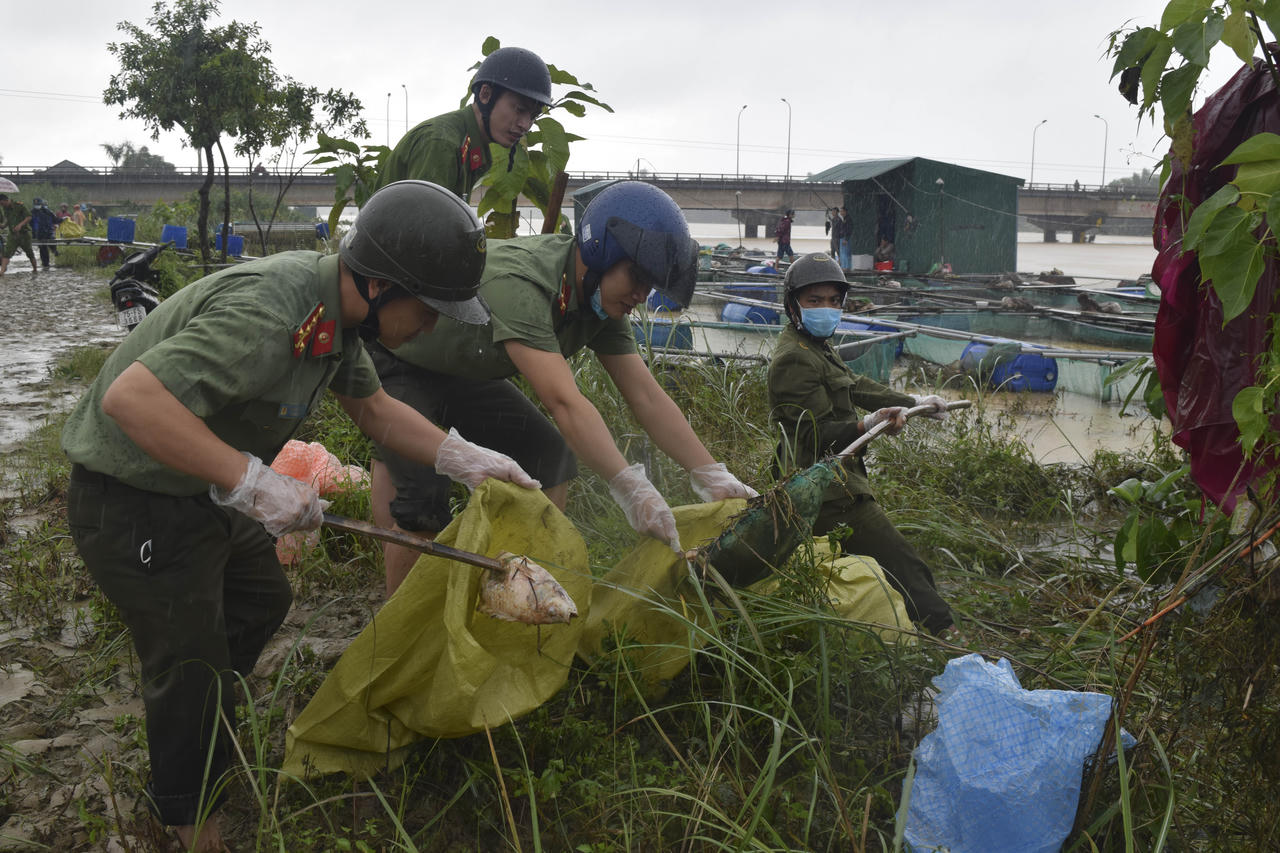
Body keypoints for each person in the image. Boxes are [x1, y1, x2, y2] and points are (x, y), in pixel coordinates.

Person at [60, 180, 541, 852]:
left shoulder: (337, 321)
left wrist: (464, 457)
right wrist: (249, 479)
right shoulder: (271, 307)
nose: (432, 326)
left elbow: (375, 411)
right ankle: (187, 822)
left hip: (196, 486)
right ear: (381, 285)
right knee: (191, 659)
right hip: (131, 491)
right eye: (429, 310)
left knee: (261, 597)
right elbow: (131, 400)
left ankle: (200, 733)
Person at [369, 180, 758, 594]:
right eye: (637, 277)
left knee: (550, 457)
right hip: (399, 359)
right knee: (421, 503)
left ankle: (518, 590)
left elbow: (645, 396)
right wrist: (629, 485)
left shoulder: (599, 305)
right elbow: (564, 402)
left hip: (463, 371)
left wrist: (711, 473)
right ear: (600, 252)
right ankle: (397, 638)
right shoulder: (523, 284)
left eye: (652, 284)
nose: (642, 295)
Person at [766, 252, 956, 636]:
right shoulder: (794, 359)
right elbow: (815, 434)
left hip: (829, 486)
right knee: (903, 565)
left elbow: (855, 385)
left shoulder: (815, 345)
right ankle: (945, 636)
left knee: (866, 567)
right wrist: (868, 424)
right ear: (792, 306)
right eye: (814, 301)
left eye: (834, 302)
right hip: (827, 492)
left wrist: (912, 402)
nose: (827, 309)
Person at [377, 46, 551, 201]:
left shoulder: (469, 146)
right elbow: (425, 231)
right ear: (485, 94)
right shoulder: (442, 144)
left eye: (533, 116)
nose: (526, 125)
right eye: (520, 110)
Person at [0, 194, 37, 275]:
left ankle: (35, 270)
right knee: (7, 253)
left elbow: (29, 217)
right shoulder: (5, 208)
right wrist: (3, 225)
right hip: (12, 235)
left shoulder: (19, 206)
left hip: (24, 234)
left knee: (29, 253)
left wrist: (20, 225)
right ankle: (2, 272)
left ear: (6, 200)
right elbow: (8, 220)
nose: (2, 205)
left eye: (2, 203)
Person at [29, 197, 59, 269]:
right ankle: (46, 264)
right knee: (42, 248)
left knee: (52, 242)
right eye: (36, 204)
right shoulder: (31, 212)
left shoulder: (47, 211)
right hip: (38, 233)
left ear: (41, 204)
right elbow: (30, 223)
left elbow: (55, 219)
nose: (37, 205)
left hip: (48, 231)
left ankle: (54, 251)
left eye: (38, 204)